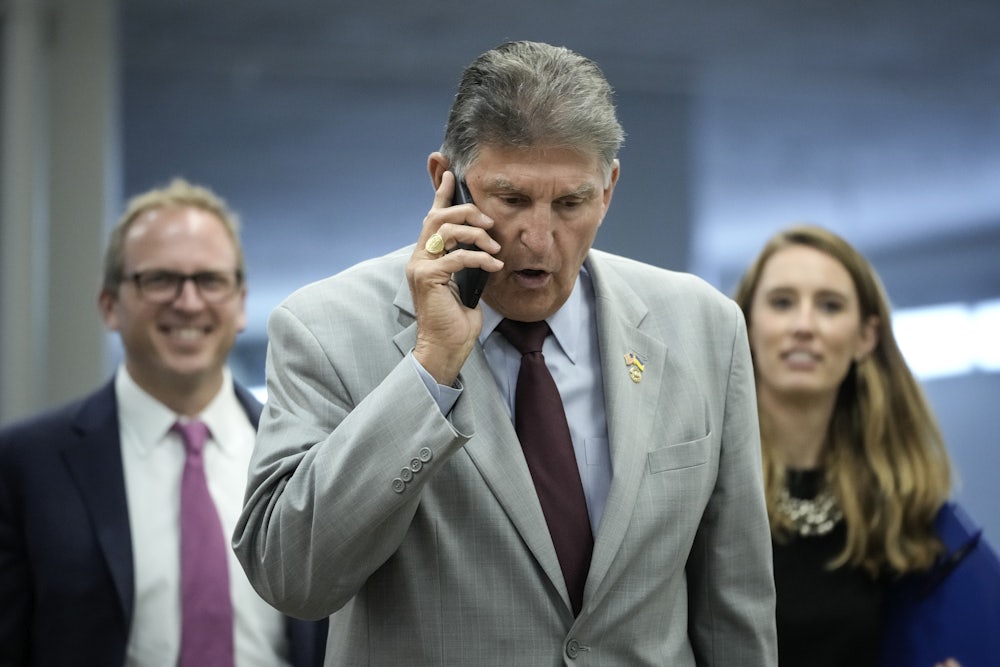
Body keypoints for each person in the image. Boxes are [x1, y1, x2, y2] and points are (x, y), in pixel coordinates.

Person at [233, 41, 776, 665]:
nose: (538, 237)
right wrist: (430, 366)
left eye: (571, 203)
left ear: (609, 190)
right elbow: (289, 579)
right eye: (511, 199)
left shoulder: (703, 326)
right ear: (445, 182)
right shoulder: (325, 329)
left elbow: (734, 610)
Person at [0, 179, 327, 666]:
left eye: (210, 280)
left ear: (240, 303)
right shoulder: (24, 464)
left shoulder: (308, 457)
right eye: (159, 279)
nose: (189, 302)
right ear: (109, 305)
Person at [733, 224, 1000, 667]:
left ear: (866, 337)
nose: (803, 325)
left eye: (830, 306)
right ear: (744, 323)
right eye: (782, 302)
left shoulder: (906, 513)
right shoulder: (699, 493)